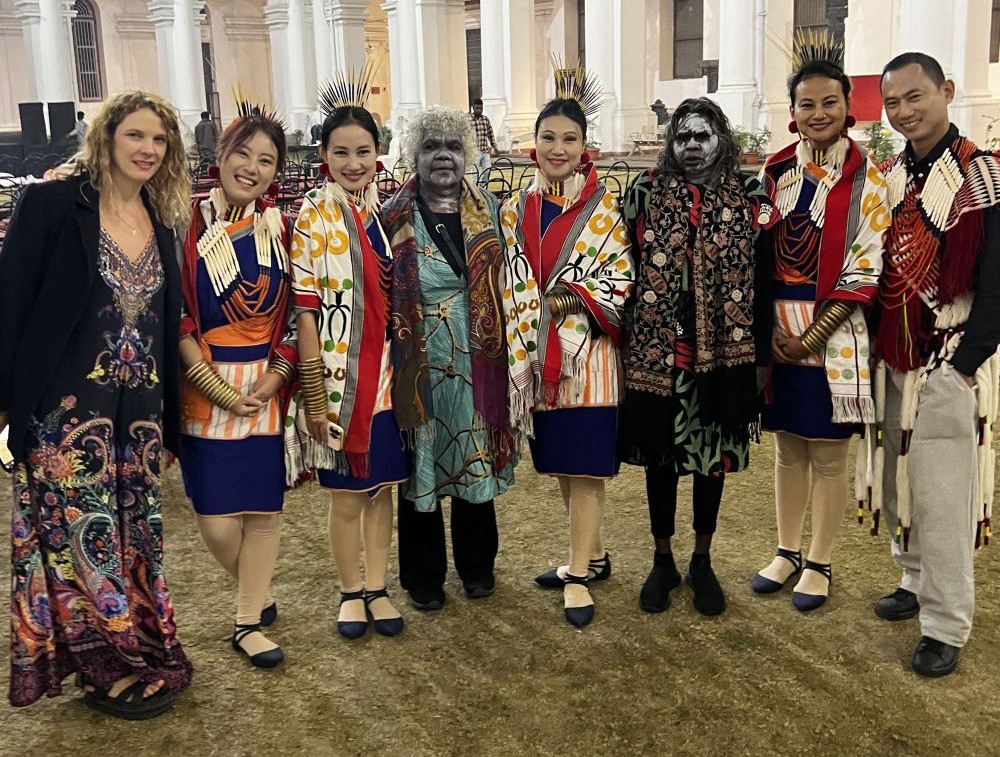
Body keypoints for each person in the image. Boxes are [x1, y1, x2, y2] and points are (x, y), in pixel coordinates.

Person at [1, 90, 192, 718]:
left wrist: (168, 424)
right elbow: (12, 304)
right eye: (136, 135)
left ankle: (136, 644)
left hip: (136, 414)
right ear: (107, 136)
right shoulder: (56, 205)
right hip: (65, 414)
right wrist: (6, 405)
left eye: (160, 140)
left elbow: (165, 327)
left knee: (136, 537)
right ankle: (104, 664)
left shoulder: (161, 220)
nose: (148, 149)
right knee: (80, 537)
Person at [866, 52, 1000, 677]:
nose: (904, 112)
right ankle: (913, 579)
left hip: (949, 353)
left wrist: (966, 363)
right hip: (894, 354)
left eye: (915, 97)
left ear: (946, 90)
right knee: (899, 483)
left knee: (944, 494)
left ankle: (945, 622)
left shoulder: (985, 177)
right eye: (892, 103)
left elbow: (997, 285)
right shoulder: (889, 176)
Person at [620, 97, 772, 617]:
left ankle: (702, 561)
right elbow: (631, 266)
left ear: (721, 139)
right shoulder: (643, 194)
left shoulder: (750, 196)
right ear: (670, 143)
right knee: (659, 461)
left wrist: (761, 357)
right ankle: (662, 560)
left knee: (713, 462)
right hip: (659, 356)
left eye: (701, 136)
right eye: (682, 137)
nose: (691, 146)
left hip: (724, 356)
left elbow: (764, 278)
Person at [751, 43, 888, 612]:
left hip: (835, 328)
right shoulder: (774, 170)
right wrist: (770, 331)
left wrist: (811, 335)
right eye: (807, 104)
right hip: (777, 320)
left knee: (828, 452)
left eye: (829, 101)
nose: (818, 113)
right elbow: (756, 246)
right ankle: (786, 550)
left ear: (848, 106)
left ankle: (821, 559)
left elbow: (867, 259)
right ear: (793, 110)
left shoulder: (870, 179)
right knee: (787, 448)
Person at [501, 92, 634, 628]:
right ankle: (593, 555)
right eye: (549, 137)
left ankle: (577, 575)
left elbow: (620, 278)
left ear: (586, 148)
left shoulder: (606, 209)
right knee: (559, 464)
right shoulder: (515, 209)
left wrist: (559, 298)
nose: (558, 148)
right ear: (536, 144)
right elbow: (506, 277)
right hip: (535, 355)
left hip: (588, 356)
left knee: (585, 471)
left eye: (569, 139)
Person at [287, 79, 409, 640]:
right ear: (323, 157)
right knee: (345, 494)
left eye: (363, 151)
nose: (353, 162)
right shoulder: (312, 216)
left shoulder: (385, 214)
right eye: (341, 152)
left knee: (382, 487)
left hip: (388, 375)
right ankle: (350, 590)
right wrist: (313, 392)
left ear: (377, 154)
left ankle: (380, 586)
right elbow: (305, 309)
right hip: (339, 378)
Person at [382, 105, 515, 611]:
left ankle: (477, 567)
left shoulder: (492, 213)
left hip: (480, 361)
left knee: (472, 455)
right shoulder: (393, 217)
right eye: (431, 146)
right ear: (414, 156)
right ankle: (423, 576)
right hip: (420, 363)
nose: (443, 156)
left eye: (453, 146)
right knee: (423, 461)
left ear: (469, 155)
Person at [178, 96, 295, 668]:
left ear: (279, 170)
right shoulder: (185, 225)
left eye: (267, 159)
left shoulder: (285, 231)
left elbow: (304, 312)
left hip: (267, 388)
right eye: (243, 153)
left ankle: (247, 620)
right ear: (220, 156)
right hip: (205, 386)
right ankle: (256, 587)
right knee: (216, 517)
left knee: (263, 512)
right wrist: (214, 385)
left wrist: (278, 377)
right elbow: (174, 312)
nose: (252, 166)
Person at [469, 98, 498, 178]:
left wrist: (494, 146)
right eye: (477, 108)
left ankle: (482, 189)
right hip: (474, 153)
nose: (479, 110)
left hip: (484, 152)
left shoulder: (485, 119)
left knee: (487, 171)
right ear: (473, 108)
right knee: (475, 175)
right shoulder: (468, 119)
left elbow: (490, 134)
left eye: (481, 108)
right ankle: (475, 189)